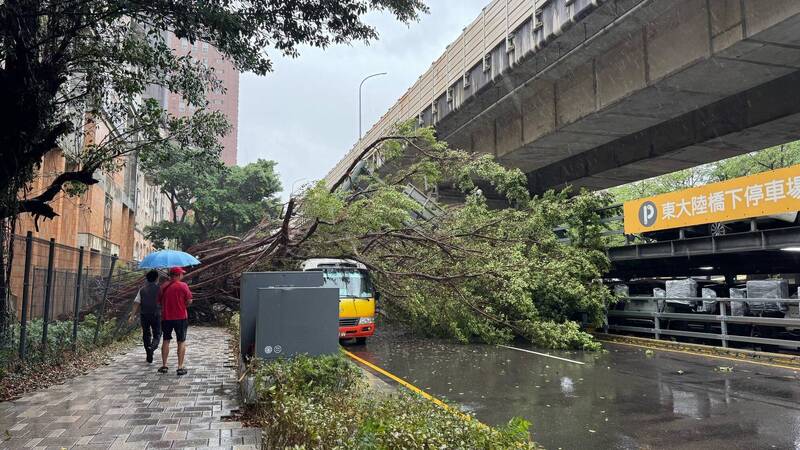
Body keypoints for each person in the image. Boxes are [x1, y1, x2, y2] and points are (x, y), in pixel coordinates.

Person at [158, 267, 193, 376]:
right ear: (177, 275)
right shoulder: (183, 286)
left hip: (166, 317)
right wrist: (183, 305)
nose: (182, 276)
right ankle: (180, 366)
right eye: (182, 274)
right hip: (181, 317)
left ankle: (164, 365)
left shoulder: (163, 286)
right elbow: (189, 300)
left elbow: (159, 302)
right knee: (181, 341)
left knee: (166, 340)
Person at [132, 269, 162, 363]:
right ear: (157, 278)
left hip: (144, 314)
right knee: (157, 334)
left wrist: (132, 315)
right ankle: (152, 348)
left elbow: (136, 302)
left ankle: (148, 353)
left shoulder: (142, 289)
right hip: (156, 314)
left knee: (146, 334)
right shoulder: (160, 289)